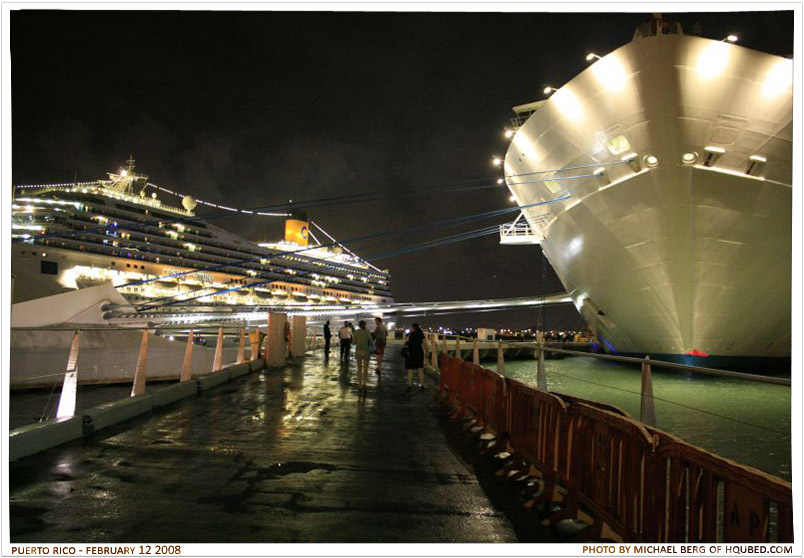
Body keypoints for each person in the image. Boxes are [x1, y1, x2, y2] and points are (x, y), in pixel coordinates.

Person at [404, 323, 425, 392]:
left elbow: (406, 342)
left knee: (411, 370)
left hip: (411, 353)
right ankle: (421, 385)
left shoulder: (410, 334)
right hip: (419, 353)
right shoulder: (421, 334)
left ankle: (409, 386)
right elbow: (425, 344)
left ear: (413, 328)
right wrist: (427, 353)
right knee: (420, 369)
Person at [352, 320, 372, 392]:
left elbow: (353, 343)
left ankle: (359, 385)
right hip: (366, 351)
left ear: (359, 326)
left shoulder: (356, 332)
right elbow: (371, 341)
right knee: (365, 368)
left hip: (358, 352)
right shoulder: (368, 332)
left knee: (359, 368)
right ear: (365, 325)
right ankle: (364, 384)